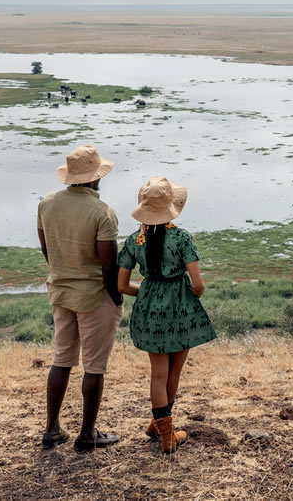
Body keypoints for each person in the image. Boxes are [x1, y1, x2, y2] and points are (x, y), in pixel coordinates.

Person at [117, 177, 216, 454]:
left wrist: (149, 294)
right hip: (180, 310)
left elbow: (122, 286)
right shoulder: (182, 238)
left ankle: (159, 426)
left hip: (149, 310)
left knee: (157, 374)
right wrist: (185, 295)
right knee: (174, 371)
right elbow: (198, 286)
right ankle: (167, 436)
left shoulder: (133, 241)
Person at [37, 145, 123, 452]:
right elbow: (109, 265)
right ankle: (87, 434)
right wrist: (117, 299)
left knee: (61, 360)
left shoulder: (46, 204)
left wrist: (63, 272)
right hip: (94, 295)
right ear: (94, 179)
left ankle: (51, 430)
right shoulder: (102, 212)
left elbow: (47, 250)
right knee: (94, 367)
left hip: (60, 291)